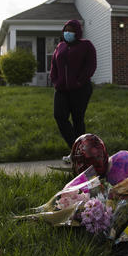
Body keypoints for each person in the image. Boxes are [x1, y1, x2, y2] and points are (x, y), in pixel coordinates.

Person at [49, 19, 97, 163]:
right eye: (66, 30)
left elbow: (91, 66)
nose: (67, 33)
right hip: (62, 90)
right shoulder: (60, 46)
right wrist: (56, 81)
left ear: (78, 32)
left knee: (77, 120)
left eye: (71, 30)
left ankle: (79, 155)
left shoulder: (86, 45)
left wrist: (78, 81)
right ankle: (77, 150)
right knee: (59, 116)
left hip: (80, 89)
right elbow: (54, 66)